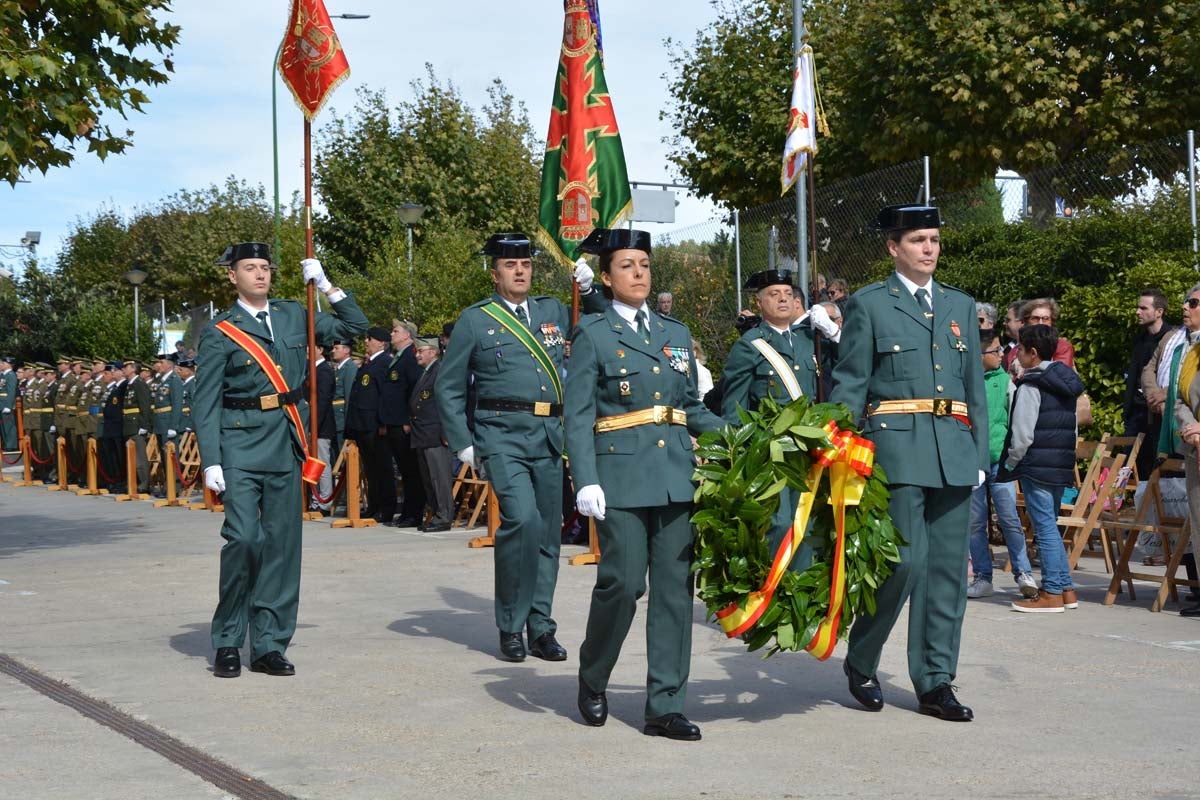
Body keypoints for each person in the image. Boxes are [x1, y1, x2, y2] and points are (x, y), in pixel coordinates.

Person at [830, 204, 988, 722]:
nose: (929, 249)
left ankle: (936, 680)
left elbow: (973, 388)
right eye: (919, 240)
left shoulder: (960, 304)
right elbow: (851, 382)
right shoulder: (870, 303)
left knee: (946, 574)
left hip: (954, 450)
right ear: (893, 247)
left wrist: (980, 454)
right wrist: (839, 446)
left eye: (934, 240)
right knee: (902, 564)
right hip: (895, 451)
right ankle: (862, 657)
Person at [566, 227, 723, 742]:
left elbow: (691, 407)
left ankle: (665, 706)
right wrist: (585, 478)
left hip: (676, 476)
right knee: (624, 583)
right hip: (621, 477)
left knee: (675, 592)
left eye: (645, 265)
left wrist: (741, 434)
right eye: (627, 266)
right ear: (607, 277)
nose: (638, 274)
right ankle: (594, 674)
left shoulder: (675, 332)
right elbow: (578, 414)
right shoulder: (593, 334)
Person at [195, 242, 367, 678]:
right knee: (244, 540)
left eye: (265, 268)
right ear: (232, 276)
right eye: (250, 268)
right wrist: (211, 460)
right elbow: (206, 400)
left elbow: (356, 326)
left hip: (287, 442)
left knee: (282, 547)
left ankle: (269, 643)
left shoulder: (294, 315)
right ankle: (229, 639)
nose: (260, 275)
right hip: (239, 444)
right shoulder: (220, 331)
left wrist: (326, 285)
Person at [437, 231, 601, 662]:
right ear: (495, 274)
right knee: (522, 521)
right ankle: (511, 624)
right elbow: (449, 385)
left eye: (526, 264)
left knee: (547, 534)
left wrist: (589, 291)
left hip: (548, 434)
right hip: (501, 436)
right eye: (510, 265)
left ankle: (541, 626)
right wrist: (463, 443)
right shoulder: (476, 320)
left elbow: (604, 326)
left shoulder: (552, 310)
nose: (520, 271)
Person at [722, 269, 827, 579]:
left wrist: (833, 330)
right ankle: (770, 588)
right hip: (770, 451)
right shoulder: (750, 345)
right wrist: (738, 455)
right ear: (759, 303)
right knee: (778, 523)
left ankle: (801, 588)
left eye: (788, 294)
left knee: (807, 522)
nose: (783, 299)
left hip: (808, 450)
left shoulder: (811, 341)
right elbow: (735, 406)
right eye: (773, 294)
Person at [997, 324, 1084, 613]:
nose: (1017, 355)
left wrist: (1011, 461)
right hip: (1060, 462)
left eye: (1020, 350)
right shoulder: (1066, 382)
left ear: (1032, 353)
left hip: (1036, 464)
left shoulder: (1031, 385)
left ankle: (1052, 592)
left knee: (1044, 528)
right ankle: (1065, 589)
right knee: (1050, 526)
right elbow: (1073, 427)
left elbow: (1022, 434)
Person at [966, 328, 1037, 599]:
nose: (1001, 355)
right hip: (973, 462)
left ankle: (1023, 573)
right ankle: (983, 577)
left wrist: (1013, 456)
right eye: (995, 350)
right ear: (979, 354)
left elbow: (1015, 419)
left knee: (1009, 518)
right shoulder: (964, 381)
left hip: (1001, 463)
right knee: (975, 523)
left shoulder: (1005, 381)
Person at [1172, 291, 1200, 617]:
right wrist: (1192, 427)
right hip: (1194, 447)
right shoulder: (1192, 352)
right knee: (1198, 520)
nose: (1185, 306)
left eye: (1194, 302)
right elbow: (1180, 399)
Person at [1124, 288, 1171, 478]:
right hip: (1136, 415)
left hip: (1157, 414)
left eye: (1143, 308)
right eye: (1138, 307)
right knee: (1132, 471)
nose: (1137, 312)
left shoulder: (1172, 340)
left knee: (1160, 470)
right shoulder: (1139, 340)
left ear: (1159, 312)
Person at [347, 327, 393, 523]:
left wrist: (383, 422)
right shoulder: (370, 364)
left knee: (382, 468)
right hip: (362, 424)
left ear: (381, 343)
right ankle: (374, 505)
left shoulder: (384, 363)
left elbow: (384, 396)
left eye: (370, 339)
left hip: (374, 425)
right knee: (371, 470)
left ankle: (386, 508)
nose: (366, 342)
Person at [382, 318, 424, 527]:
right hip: (393, 422)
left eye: (395, 331)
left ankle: (414, 513)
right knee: (405, 471)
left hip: (403, 423)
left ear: (407, 335)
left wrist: (409, 418)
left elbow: (415, 390)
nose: (391, 334)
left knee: (411, 471)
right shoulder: (399, 357)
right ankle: (408, 511)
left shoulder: (410, 357)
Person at [409, 336, 452, 532]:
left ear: (433, 352)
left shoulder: (439, 371)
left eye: (421, 351)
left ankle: (444, 516)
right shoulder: (426, 372)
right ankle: (436, 514)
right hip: (423, 433)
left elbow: (446, 404)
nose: (417, 355)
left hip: (435, 433)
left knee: (439, 478)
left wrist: (445, 432)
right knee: (429, 479)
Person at [307, 343, 336, 515]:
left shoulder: (324, 371)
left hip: (321, 426)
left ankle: (324, 501)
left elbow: (322, 402)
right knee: (313, 464)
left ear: (320, 350)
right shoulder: (311, 369)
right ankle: (315, 499)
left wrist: (314, 426)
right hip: (311, 425)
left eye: (310, 347)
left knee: (322, 464)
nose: (307, 351)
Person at [121, 359, 152, 493]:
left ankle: (144, 484)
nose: (124, 369)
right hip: (128, 424)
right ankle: (134, 482)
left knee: (140, 458)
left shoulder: (139, 383)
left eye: (126, 367)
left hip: (136, 424)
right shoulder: (130, 385)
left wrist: (144, 425)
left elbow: (145, 405)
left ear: (133, 369)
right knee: (132, 456)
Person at [0, 355, 16, 453]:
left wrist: (9, 406)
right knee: (3, 426)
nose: (1, 365)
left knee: (9, 425)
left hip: (6, 403)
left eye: (3, 363)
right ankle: (6, 444)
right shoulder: (3, 375)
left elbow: (11, 391)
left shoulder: (11, 375)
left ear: (8, 364)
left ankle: (11, 445)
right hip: (1, 403)